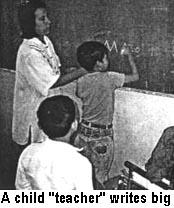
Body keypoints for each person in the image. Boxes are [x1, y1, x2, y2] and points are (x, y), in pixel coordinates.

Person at [12, 0, 85, 149]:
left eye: (47, 17)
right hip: (34, 111)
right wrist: (84, 70)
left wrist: (71, 71)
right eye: (42, 19)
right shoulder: (29, 52)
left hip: (48, 106)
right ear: (29, 23)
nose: (48, 22)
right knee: (36, 153)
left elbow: (55, 69)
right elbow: (53, 81)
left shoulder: (45, 41)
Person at [74, 41, 139, 185]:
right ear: (98, 64)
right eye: (105, 58)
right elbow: (135, 76)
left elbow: (79, 94)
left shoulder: (80, 80)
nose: (108, 61)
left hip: (82, 132)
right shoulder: (111, 78)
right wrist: (129, 56)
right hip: (101, 137)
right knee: (100, 179)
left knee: (82, 177)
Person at [15, 95, 93, 190]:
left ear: (40, 125)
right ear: (74, 125)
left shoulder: (28, 153)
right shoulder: (81, 163)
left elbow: (22, 188)